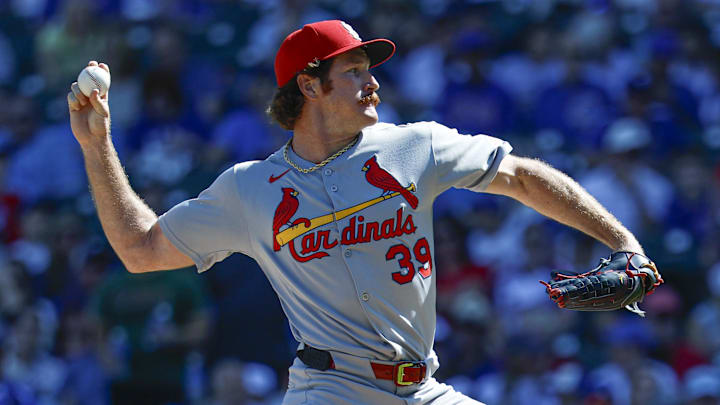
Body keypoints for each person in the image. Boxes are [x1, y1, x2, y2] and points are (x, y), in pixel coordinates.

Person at [67, 19, 647, 405]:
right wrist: (98, 146)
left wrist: (624, 243)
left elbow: (521, 176)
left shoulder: (415, 146)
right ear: (310, 86)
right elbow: (141, 250)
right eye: (354, 72)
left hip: (423, 387)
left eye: (370, 70)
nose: (372, 84)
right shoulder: (251, 189)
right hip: (331, 388)